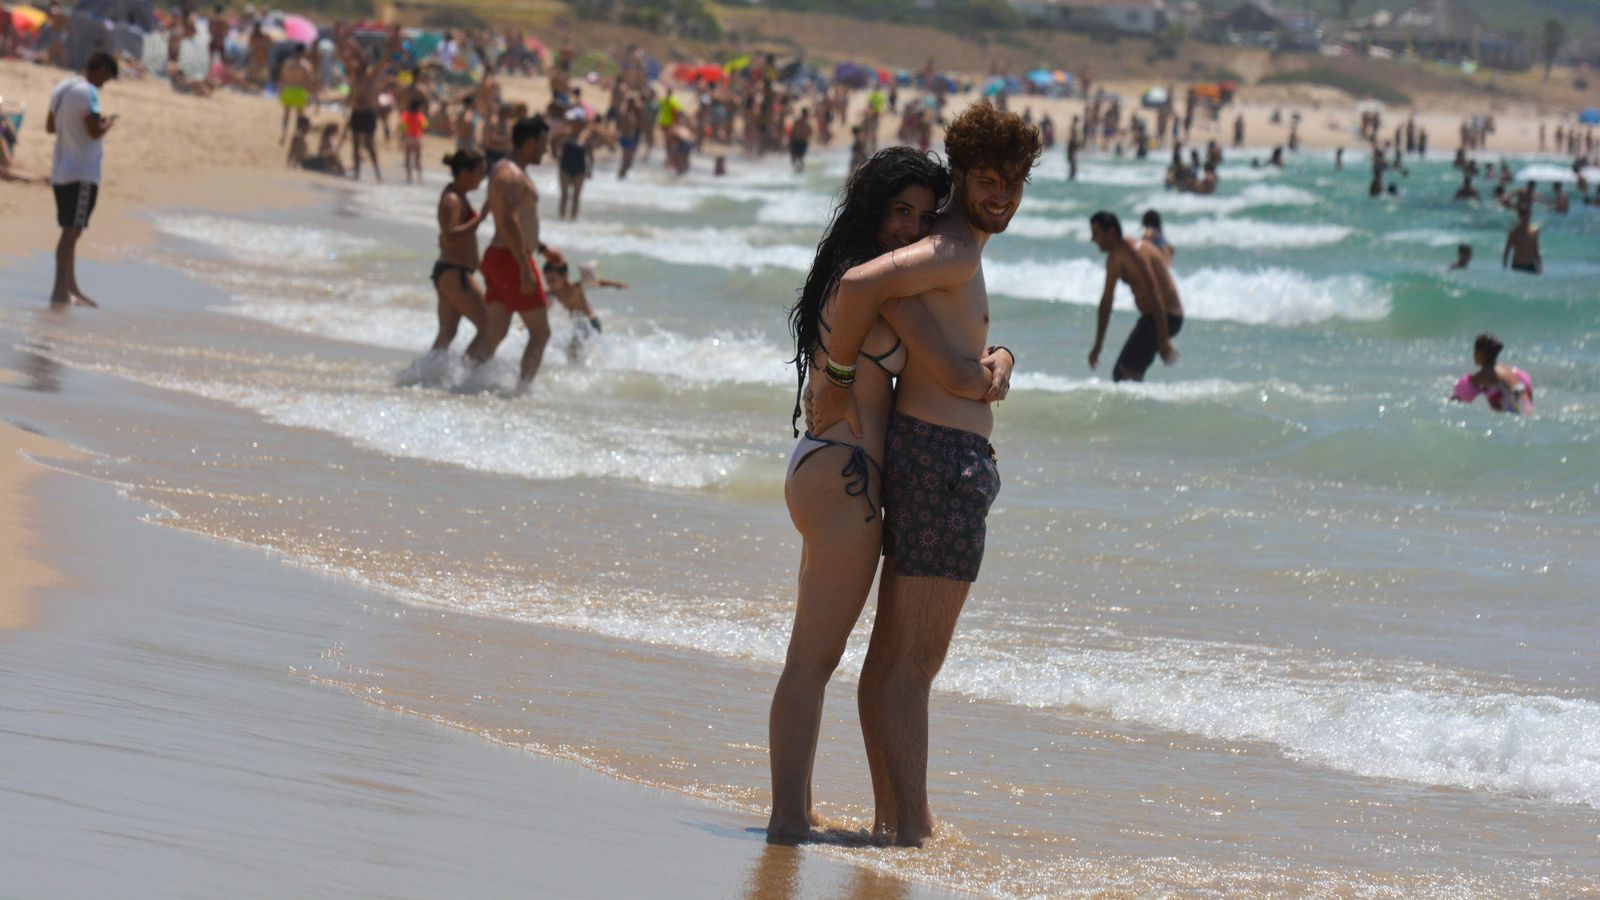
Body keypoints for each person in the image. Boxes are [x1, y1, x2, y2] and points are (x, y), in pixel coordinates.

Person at [806, 102, 1038, 848]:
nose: (1002, 196)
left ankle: (895, 823)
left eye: (1016, 183)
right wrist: (834, 380)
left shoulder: (951, 245)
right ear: (963, 176)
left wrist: (990, 366)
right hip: (945, 463)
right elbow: (859, 286)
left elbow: (919, 324)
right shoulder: (956, 249)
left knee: (893, 664)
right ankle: (909, 829)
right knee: (909, 666)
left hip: (929, 457)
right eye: (989, 180)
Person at [478, 116, 564, 393]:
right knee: (541, 333)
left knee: (495, 332)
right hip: (511, 259)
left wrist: (540, 248)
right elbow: (508, 222)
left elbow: (515, 223)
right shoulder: (511, 175)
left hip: (502, 256)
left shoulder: (507, 171)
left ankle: (465, 381)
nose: (545, 150)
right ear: (529, 143)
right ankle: (522, 393)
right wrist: (525, 267)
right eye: (543, 144)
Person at [46, 51, 119, 308]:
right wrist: (107, 123)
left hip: (61, 170)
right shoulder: (87, 92)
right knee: (71, 233)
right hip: (82, 172)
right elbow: (92, 131)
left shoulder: (62, 87)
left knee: (70, 231)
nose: (104, 84)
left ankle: (70, 287)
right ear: (98, 69)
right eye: (105, 78)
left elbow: (50, 127)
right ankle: (60, 291)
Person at [1087, 211, 1181, 382]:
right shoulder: (1114, 259)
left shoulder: (1135, 253)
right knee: (1126, 373)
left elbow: (1155, 294)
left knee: (1124, 373)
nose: (1092, 239)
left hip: (1167, 316)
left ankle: (1142, 407)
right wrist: (1097, 347)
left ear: (1111, 232)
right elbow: (1106, 303)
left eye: (1096, 233)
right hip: (1150, 318)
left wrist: (1163, 339)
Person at [430, 149, 490, 361]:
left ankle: (428, 377)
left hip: (451, 271)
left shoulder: (459, 196)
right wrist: (480, 219)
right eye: (481, 173)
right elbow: (450, 236)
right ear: (465, 173)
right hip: (455, 273)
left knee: (448, 333)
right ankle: (466, 376)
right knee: (489, 326)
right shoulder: (452, 199)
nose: (483, 178)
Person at [542, 259, 624, 364]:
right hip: (580, 325)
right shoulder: (553, 293)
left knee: (573, 351)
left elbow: (595, 283)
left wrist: (615, 284)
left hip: (591, 323)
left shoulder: (575, 288)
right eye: (547, 280)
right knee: (573, 352)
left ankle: (579, 370)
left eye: (553, 280)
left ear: (565, 276)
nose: (549, 283)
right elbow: (543, 305)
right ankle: (581, 369)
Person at [1451, 333, 1533, 415]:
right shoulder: (1504, 369)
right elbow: (1520, 390)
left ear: (1479, 353)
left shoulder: (1488, 374)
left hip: (1513, 414)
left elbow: (1518, 389)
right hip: (1518, 411)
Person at [556, 110, 592, 220]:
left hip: (579, 169)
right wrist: (556, 154)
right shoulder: (565, 134)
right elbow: (553, 141)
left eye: (573, 120)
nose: (570, 122)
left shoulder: (585, 136)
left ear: (579, 122)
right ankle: (561, 219)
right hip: (565, 167)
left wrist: (590, 170)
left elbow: (590, 154)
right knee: (564, 195)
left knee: (576, 196)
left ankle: (573, 220)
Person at [278, 44, 315, 145]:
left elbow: (282, 78)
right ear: (303, 52)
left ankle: (284, 132)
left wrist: (280, 91)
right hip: (300, 91)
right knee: (299, 116)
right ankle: (296, 134)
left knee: (286, 114)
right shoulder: (306, 65)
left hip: (288, 89)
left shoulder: (288, 63)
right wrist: (311, 95)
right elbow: (309, 81)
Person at [1503, 204, 1541, 275]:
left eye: (1528, 215)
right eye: (1524, 216)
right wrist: (1504, 268)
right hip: (1517, 266)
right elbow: (1507, 250)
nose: (1527, 218)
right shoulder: (1514, 233)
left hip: (1530, 266)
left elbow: (1536, 250)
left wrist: (1540, 267)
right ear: (1520, 216)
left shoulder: (1533, 232)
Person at [399, 98, 427, 183]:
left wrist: (401, 139)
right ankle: (419, 177)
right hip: (417, 138)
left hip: (409, 138)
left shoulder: (405, 115)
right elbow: (424, 127)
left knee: (407, 159)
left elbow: (402, 128)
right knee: (417, 159)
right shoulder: (420, 115)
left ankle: (409, 177)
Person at [789, 107, 811, 174]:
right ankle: (797, 171)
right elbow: (809, 133)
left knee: (798, 158)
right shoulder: (804, 123)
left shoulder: (801, 122)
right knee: (798, 158)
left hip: (800, 141)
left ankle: (798, 171)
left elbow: (809, 133)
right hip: (799, 141)